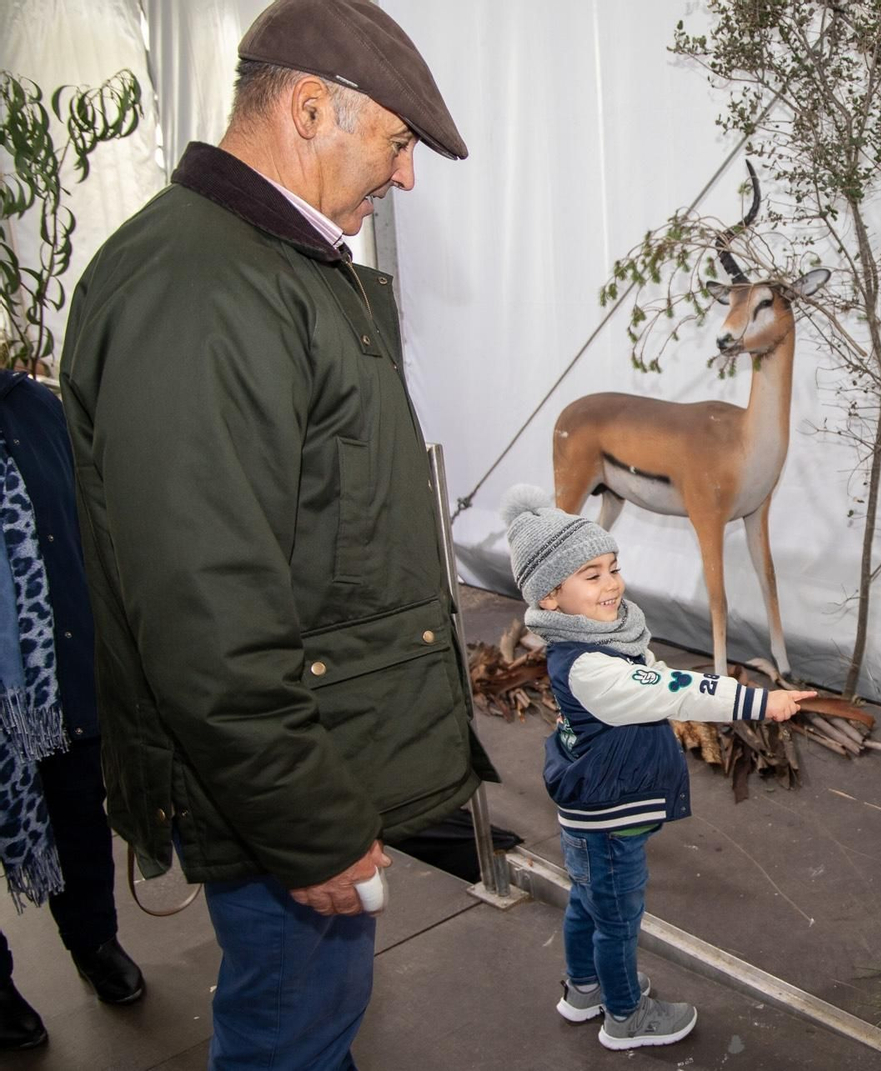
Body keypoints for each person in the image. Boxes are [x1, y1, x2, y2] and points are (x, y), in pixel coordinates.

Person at [58, 1, 495, 1066]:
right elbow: (206, 609)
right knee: (290, 1035)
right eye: (396, 143)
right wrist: (305, 819)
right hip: (278, 791)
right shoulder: (203, 290)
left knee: (310, 1024)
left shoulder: (270, 265)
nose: (405, 177)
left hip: (314, 757)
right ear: (309, 108)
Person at [500, 485, 815, 1051]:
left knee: (587, 902)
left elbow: (653, 672)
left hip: (590, 809)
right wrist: (759, 702)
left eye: (612, 567)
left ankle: (584, 991)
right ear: (549, 598)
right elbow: (674, 689)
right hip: (608, 817)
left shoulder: (598, 640)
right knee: (617, 919)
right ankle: (625, 1017)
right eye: (591, 575)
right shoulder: (591, 667)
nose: (612, 583)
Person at [0, 372, 143, 1051]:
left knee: (80, 818)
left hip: (59, 672)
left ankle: (95, 941)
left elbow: (87, 525)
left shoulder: (36, 404)